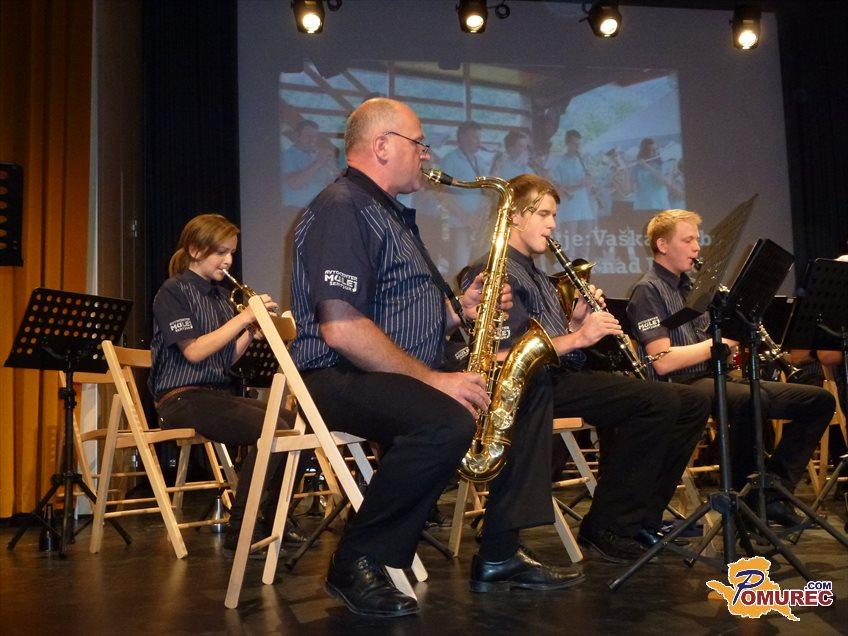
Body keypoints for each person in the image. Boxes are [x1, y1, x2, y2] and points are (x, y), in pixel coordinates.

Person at [289, 99, 583, 618]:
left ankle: (499, 552)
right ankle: (357, 559)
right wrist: (434, 379)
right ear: (382, 146)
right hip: (336, 376)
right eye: (418, 143)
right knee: (446, 420)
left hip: (384, 370)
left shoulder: (388, 214)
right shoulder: (342, 207)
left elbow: (393, 315)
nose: (426, 154)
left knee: (528, 384)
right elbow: (341, 327)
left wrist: (458, 311)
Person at [461, 174, 709, 563]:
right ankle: (609, 526)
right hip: (528, 389)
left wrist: (576, 322)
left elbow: (551, 340)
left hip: (559, 377)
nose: (552, 224)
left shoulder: (535, 272)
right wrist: (578, 337)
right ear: (514, 216)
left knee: (692, 402)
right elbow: (502, 356)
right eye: (543, 214)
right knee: (657, 401)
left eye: (554, 215)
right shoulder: (495, 271)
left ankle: (641, 518)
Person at [627, 209, 835, 526]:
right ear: (663, 245)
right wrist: (718, 345)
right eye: (688, 240)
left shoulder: (697, 287)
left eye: (697, 239)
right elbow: (663, 361)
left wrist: (739, 326)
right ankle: (744, 497)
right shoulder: (648, 290)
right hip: (680, 385)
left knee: (818, 400)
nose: (697, 247)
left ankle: (773, 492)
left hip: (714, 378)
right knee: (753, 400)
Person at [149, 214, 305, 555]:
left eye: (231, 252)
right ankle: (242, 530)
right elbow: (194, 352)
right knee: (272, 429)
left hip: (213, 395)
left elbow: (225, 359)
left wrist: (250, 331)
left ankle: (274, 520)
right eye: (221, 252)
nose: (229, 260)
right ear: (195, 250)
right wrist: (244, 317)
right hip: (181, 398)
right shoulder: (173, 291)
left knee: (297, 426)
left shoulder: (220, 297)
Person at [439, 120, 495, 270]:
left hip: (478, 224)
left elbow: (486, 192)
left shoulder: (480, 161)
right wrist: (465, 217)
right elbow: (443, 193)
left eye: (479, 137)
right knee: (460, 268)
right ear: (462, 137)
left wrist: (479, 216)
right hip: (459, 224)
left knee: (480, 268)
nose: (479, 142)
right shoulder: (450, 160)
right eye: (474, 137)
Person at [631, 138, 671, 211]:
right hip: (641, 206)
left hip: (659, 206)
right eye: (652, 150)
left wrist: (647, 166)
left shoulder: (664, 164)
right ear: (644, 151)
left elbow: (666, 182)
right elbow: (632, 187)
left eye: (656, 149)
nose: (655, 152)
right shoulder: (637, 167)